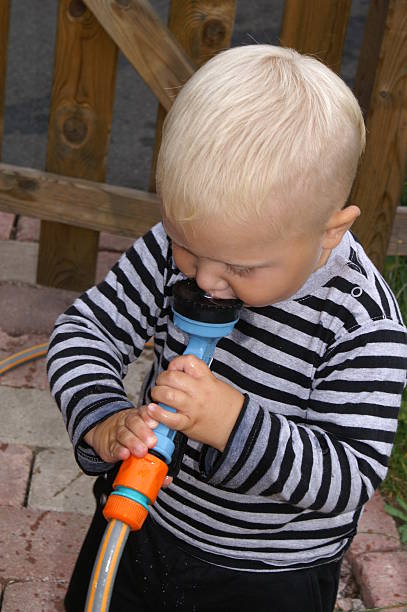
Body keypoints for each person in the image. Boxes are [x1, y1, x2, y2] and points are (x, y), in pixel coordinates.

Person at [47, 45, 407, 612]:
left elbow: (348, 477)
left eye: (240, 267)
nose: (207, 281)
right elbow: (84, 330)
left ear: (329, 232)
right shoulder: (182, 245)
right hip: (144, 520)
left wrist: (233, 424)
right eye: (189, 251)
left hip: (267, 575)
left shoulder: (359, 322)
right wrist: (102, 419)